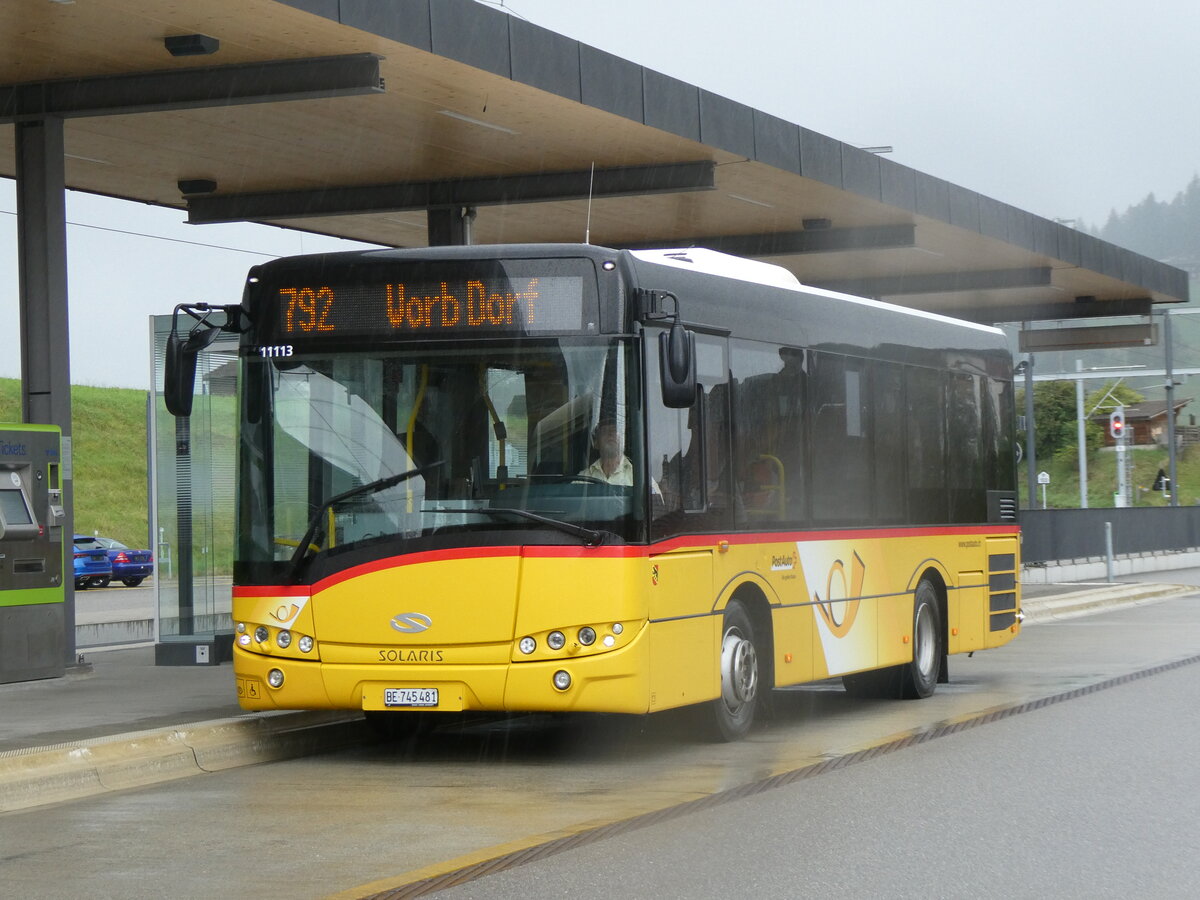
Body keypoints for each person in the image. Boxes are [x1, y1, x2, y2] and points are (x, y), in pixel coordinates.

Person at [581, 419, 633, 485]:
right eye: (604, 431)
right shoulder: (583, 478)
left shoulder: (637, 475)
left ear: (623, 441)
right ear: (596, 443)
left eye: (614, 430)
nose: (610, 434)